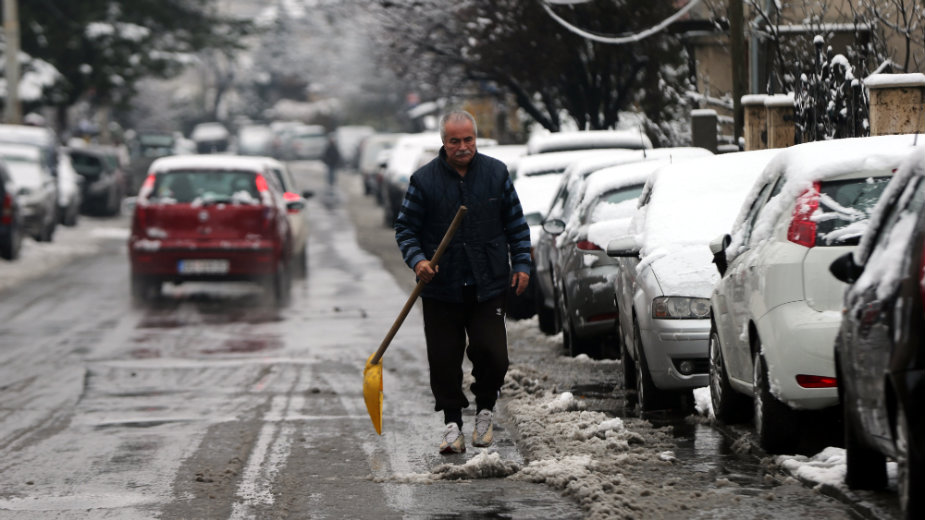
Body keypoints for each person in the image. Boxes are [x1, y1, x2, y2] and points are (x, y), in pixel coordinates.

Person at [393, 110, 531, 454]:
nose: (462, 146)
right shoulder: (423, 181)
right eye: (454, 141)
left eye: (468, 139)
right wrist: (419, 261)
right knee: (443, 359)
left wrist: (523, 264)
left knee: (494, 355)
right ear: (443, 142)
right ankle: (452, 424)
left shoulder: (496, 173)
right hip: (441, 287)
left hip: (489, 284)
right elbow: (405, 229)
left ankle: (485, 411)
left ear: (476, 138)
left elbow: (516, 224)